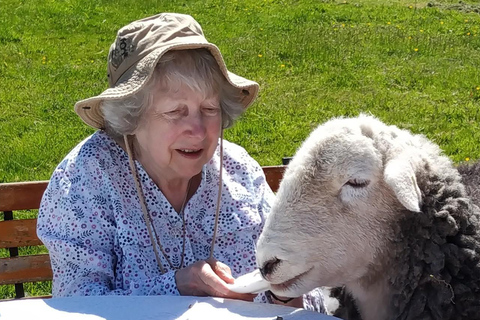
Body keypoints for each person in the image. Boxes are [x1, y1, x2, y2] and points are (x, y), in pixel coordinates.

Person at [37, 12, 326, 312]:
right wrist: (176, 286)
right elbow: (76, 303)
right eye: (176, 112)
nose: (199, 130)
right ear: (131, 117)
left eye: (209, 108)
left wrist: (283, 292)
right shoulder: (87, 178)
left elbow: (308, 299)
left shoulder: (240, 174)